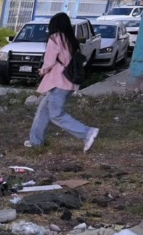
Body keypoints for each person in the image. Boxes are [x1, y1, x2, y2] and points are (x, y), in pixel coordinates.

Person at [26, 12, 99, 151]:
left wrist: (41, 71)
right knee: (43, 112)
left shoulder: (55, 38)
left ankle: (87, 133)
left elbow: (49, 61)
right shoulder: (70, 39)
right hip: (69, 82)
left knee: (56, 114)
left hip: (58, 82)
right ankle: (35, 141)